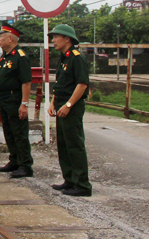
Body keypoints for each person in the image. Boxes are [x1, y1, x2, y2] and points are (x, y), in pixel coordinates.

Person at [47, 24, 92, 196]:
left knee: (75, 144)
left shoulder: (76, 57)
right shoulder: (63, 58)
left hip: (71, 106)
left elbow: (82, 84)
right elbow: (59, 84)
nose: (53, 40)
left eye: (56, 37)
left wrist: (68, 105)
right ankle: (70, 180)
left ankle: (82, 185)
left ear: (67, 38)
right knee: (63, 144)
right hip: (61, 105)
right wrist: (52, 103)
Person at [0, 23, 33, 178]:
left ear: (10, 39)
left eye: (1, 38)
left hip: (14, 99)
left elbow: (26, 82)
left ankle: (25, 165)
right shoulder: (4, 57)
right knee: (8, 131)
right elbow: (0, 80)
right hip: (3, 98)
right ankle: (14, 160)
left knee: (19, 132)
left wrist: (24, 103)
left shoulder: (20, 56)